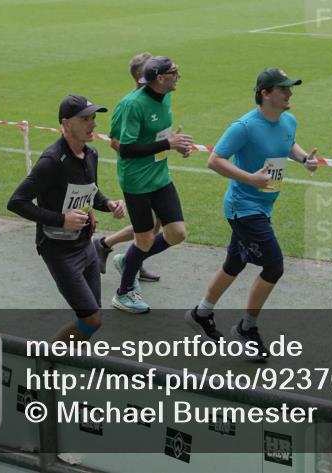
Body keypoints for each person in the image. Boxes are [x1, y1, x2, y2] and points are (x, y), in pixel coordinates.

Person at [186, 68, 319, 361]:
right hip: (243, 209)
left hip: (264, 205)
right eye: (283, 89)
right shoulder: (243, 127)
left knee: (235, 262)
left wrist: (303, 159)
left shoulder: (288, 120)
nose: (290, 93)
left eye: (290, 88)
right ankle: (248, 327)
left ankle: (201, 313)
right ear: (266, 93)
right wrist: (250, 179)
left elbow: (288, 142)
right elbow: (214, 160)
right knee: (274, 266)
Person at [7, 95, 124, 341]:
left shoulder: (91, 153)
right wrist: (61, 219)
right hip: (58, 250)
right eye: (85, 119)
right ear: (66, 124)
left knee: (93, 319)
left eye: (93, 118)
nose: (92, 124)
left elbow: (90, 191)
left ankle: (62, 361)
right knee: (91, 318)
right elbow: (17, 202)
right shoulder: (51, 161)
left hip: (85, 245)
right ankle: (45, 365)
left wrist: (108, 204)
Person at [109, 56, 194, 314]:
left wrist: (177, 145)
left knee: (177, 233)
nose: (178, 76)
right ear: (160, 78)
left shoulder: (165, 96)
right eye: (173, 73)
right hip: (137, 183)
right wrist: (168, 144)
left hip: (160, 177)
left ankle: (130, 260)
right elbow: (126, 149)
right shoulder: (133, 105)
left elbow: (158, 135)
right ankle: (123, 293)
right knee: (144, 238)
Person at [94, 52, 161, 282]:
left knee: (157, 223)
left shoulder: (155, 99)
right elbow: (115, 141)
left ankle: (121, 253)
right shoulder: (129, 105)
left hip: (156, 169)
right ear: (142, 76)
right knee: (150, 224)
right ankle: (110, 247)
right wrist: (143, 155)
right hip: (138, 175)